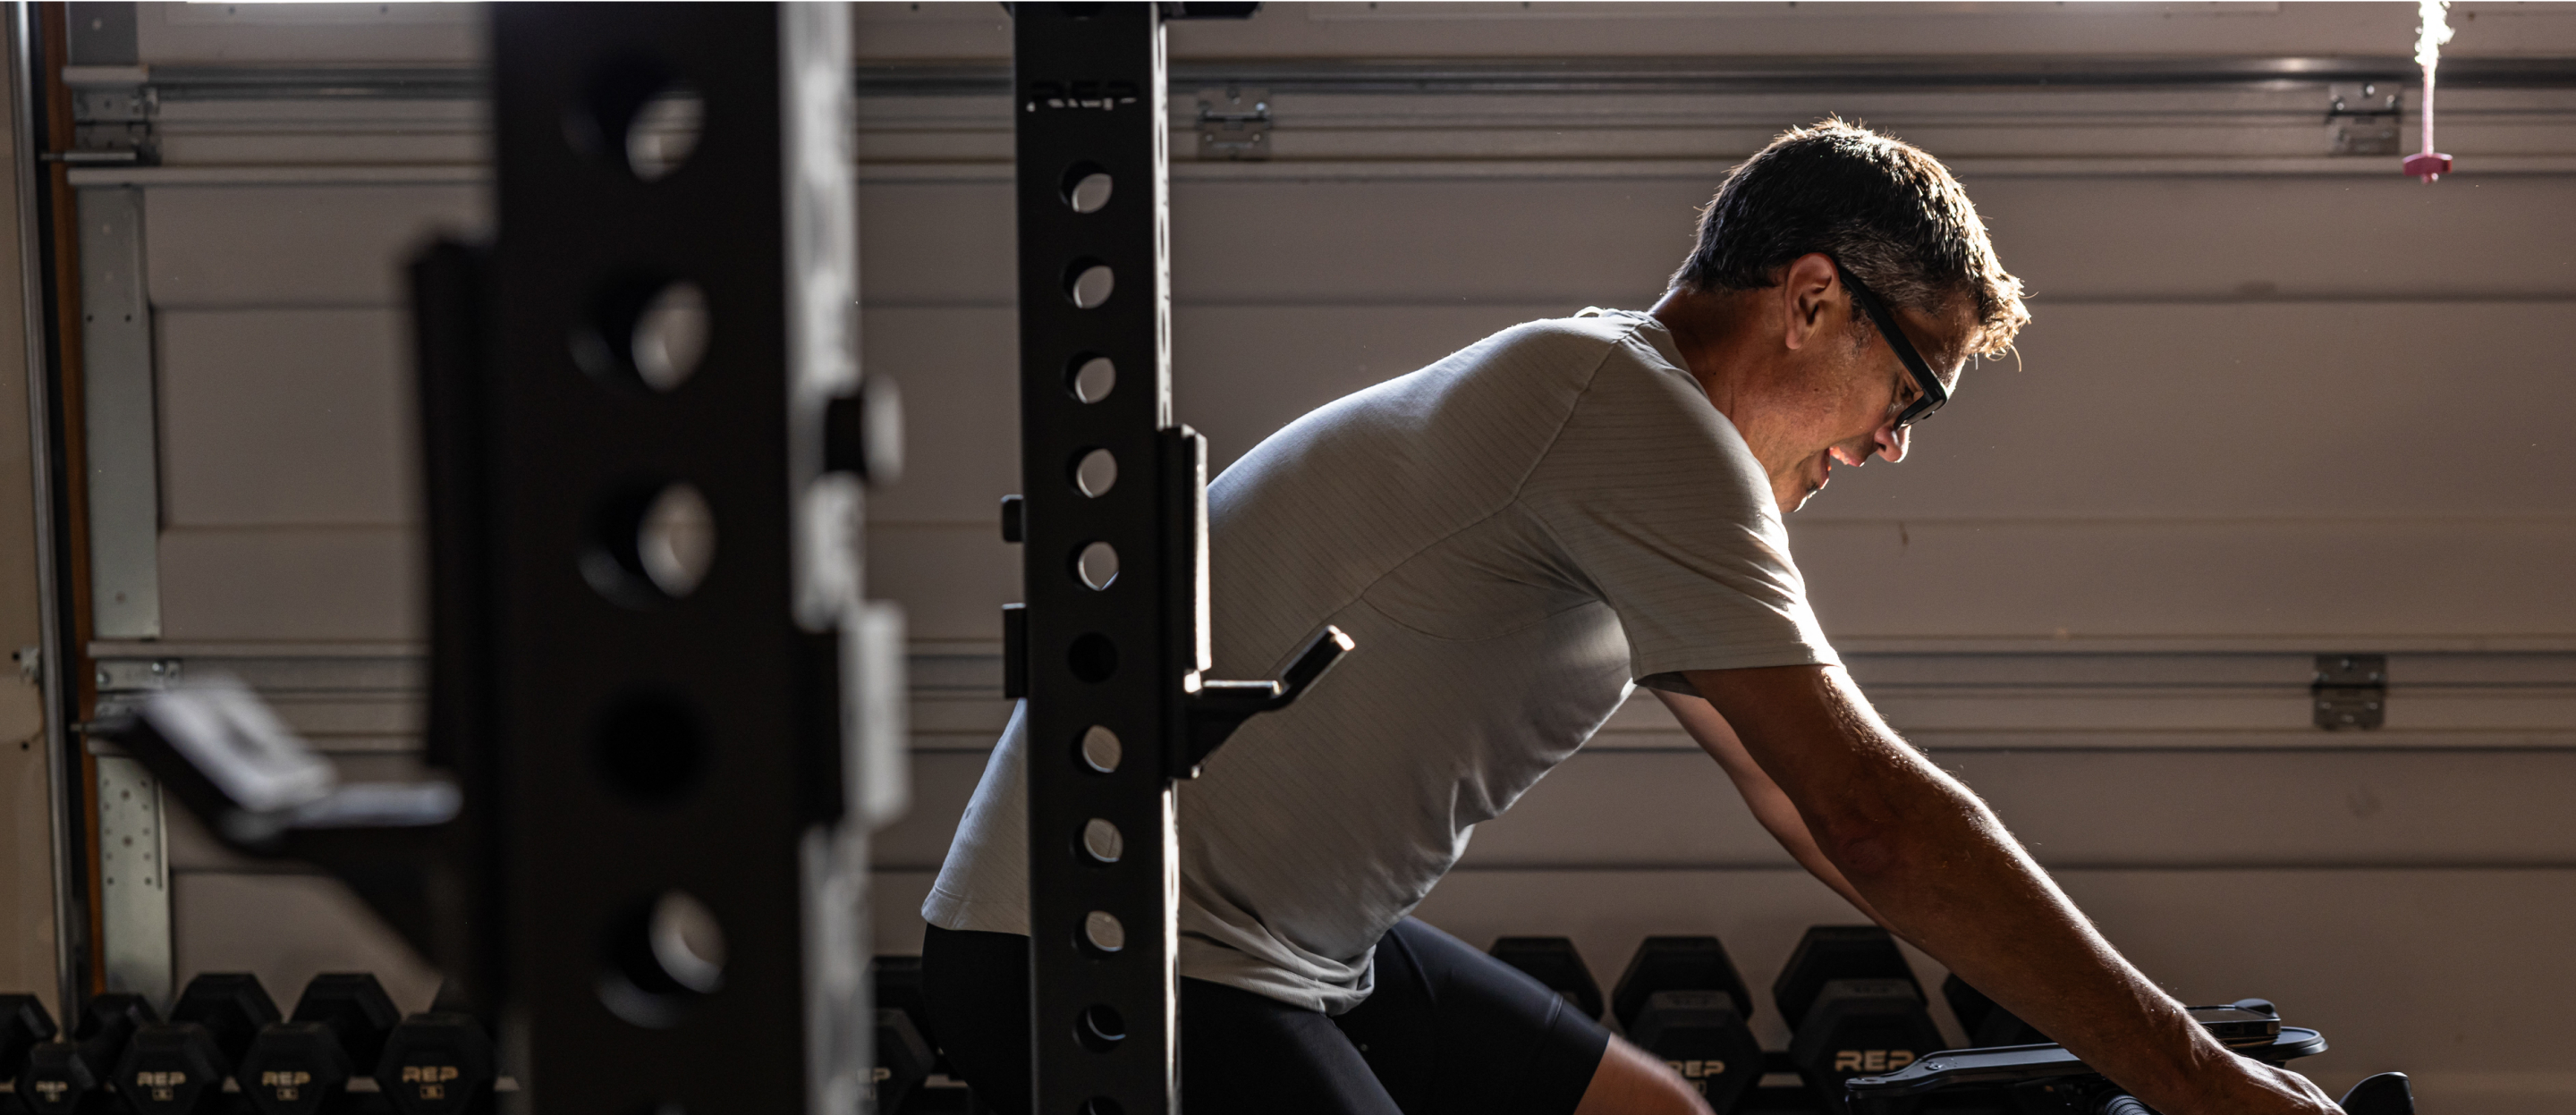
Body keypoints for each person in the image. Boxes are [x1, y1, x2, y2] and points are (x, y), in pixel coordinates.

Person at [918, 119, 2342, 1115]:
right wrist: (2203, 1088)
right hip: (1103, 940)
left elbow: (1804, 811)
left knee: (1643, 1109)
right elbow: (1872, 817)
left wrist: (2106, 1041)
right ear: (1811, 300)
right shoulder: (1632, 419)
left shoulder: (1620, 419)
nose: (1896, 443)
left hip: (1277, 939)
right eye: (1912, 390)